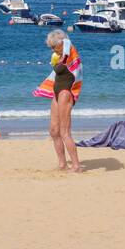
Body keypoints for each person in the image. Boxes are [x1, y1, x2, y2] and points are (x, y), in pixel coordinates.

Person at [35, 29, 83, 173]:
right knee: (54, 131)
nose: (52, 49)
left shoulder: (70, 50)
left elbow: (66, 41)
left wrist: (63, 52)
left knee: (64, 132)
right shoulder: (58, 55)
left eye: (53, 46)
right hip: (56, 90)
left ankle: (76, 166)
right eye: (50, 47)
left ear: (61, 43)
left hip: (66, 92)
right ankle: (62, 164)